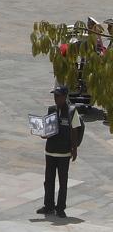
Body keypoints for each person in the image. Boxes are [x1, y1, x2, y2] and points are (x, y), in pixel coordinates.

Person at [38, 85, 83, 217]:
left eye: (58, 96)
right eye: (54, 95)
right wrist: (42, 133)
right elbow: (47, 128)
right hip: (50, 151)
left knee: (63, 182)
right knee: (48, 180)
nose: (56, 98)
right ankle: (48, 206)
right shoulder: (51, 109)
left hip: (64, 152)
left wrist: (74, 149)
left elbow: (74, 130)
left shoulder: (71, 111)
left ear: (64, 97)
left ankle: (60, 208)